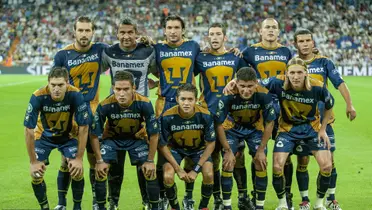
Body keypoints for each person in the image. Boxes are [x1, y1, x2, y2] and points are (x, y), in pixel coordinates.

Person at [224, 17, 294, 209]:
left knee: (285, 154)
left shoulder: (286, 52)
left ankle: (287, 195)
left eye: (274, 28)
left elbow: (297, 72)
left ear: (279, 32)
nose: (271, 30)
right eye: (267, 27)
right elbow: (239, 76)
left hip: (282, 109)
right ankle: (248, 196)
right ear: (260, 32)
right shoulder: (249, 52)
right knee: (248, 154)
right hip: (256, 110)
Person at [292, 28, 357, 210]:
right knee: (302, 161)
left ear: (313, 43)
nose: (304, 44)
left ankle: (331, 198)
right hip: (301, 121)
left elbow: (339, 83)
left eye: (307, 41)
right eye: (301, 41)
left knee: (330, 160)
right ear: (296, 44)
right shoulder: (292, 64)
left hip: (323, 122)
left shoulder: (324, 62)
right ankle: (304, 200)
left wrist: (349, 104)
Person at [261, 57, 334, 210]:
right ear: (286, 73)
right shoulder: (277, 82)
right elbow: (255, 83)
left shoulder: (318, 87)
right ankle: (282, 204)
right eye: (292, 73)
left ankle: (319, 204)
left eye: (299, 72)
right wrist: (232, 83)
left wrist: (322, 129)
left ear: (306, 73)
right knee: (277, 167)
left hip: (311, 130)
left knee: (327, 166)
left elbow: (329, 106)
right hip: (286, 130)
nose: (295, 76)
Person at [189, 22, 248, 210]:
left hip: (232, 115)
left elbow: (248, 78)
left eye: (218, 34)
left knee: (237, 157)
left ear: (225, 37)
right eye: (211, 34)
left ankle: (243, 196)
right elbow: (185, 75)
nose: (214, 37)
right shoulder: (201, 58)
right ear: (208, 38)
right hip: (208, 114)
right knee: (213, 158)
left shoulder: (235, 57)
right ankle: (217, 199)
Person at [101, 17, 157, 209]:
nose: (126, 36)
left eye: (130, 32)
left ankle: (147, 202)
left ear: (136, 33)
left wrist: (156, 84)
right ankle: (113, 203)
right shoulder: (109, 52)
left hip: (141, 116)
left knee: (144, 165)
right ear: (117, 34)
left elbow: (163, 72)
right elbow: (93, 67)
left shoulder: (148, 51)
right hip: (114, 115)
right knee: (114, 165)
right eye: (122, 32)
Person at [53, 16, 108, 210]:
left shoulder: (101, 49)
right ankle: (61, 203)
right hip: (70, 112)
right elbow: (56, 87)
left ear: (93, 32)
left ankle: (97, 201)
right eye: (81, 30)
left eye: (87, 30)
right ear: (74, 32)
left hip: (93, 109)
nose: (84, 34)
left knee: (95, 157)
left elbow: (123, 52)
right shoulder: (62, 55)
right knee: (67, 158)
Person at [90, 71, 160, 210]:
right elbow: (94, 135)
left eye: (126, 89)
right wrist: (99, 161)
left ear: (134, 88)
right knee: (103, 170)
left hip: (136, 139)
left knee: (147, 170)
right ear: (113, 88)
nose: (121, 93)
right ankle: (107, 204)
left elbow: (154, 134)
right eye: (118, 89)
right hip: (112, 140)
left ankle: (151, 205)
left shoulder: (144, 103)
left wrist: (150, 161)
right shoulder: (105, 105)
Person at [152, 14, 201, 209]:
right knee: (161, 150)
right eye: (169, 27)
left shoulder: (193, 47)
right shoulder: (157, 48)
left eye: (176, 27)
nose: (173, 31)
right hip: (165, 105)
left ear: (183, 30)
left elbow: (201, 65)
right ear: (164, 30)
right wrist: (156, 81)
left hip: (188, 103)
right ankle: (164, 195)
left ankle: (188, 196)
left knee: (190, 145)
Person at [24, 67, 89, 210]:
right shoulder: (38, 96)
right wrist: (33, 161)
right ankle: (45, 207)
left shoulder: (75, 94)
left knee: (77, 170)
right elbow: (28, 130)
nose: (56, 89)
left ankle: (76, 207)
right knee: (36, 174)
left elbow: (84, 127)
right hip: (44, 136)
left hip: (68, 136)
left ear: (67, 83)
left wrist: (79, 158)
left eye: (60, 85)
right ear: (48, 83)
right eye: (53, 85)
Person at [215, 67, 275, 209]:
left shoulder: (264, 95)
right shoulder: (228, 95)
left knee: (261, 162)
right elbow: (218, 124)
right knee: (228, 162)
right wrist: (228, 150)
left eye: (249, 86)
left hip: (255, 129)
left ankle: (259, 206)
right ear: (236, 83)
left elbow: (270, 123)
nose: (246, 90)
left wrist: (261, 150)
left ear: (256, 83)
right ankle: (227, 205)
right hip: (232, 129)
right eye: (242, 86)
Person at [158, 83, 216, 210]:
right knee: (168, 176)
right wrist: (178, 169)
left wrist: (196, 170)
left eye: (190, 99)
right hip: (175, 149)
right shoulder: (167, 116)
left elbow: (211, 143)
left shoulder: (205, 115)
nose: (186, 103)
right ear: (177, 99)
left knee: (209, 174)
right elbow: (162, 145)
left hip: (198, 150)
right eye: (183, 99)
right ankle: (175, 207)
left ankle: (203, 207)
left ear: (196, 100)